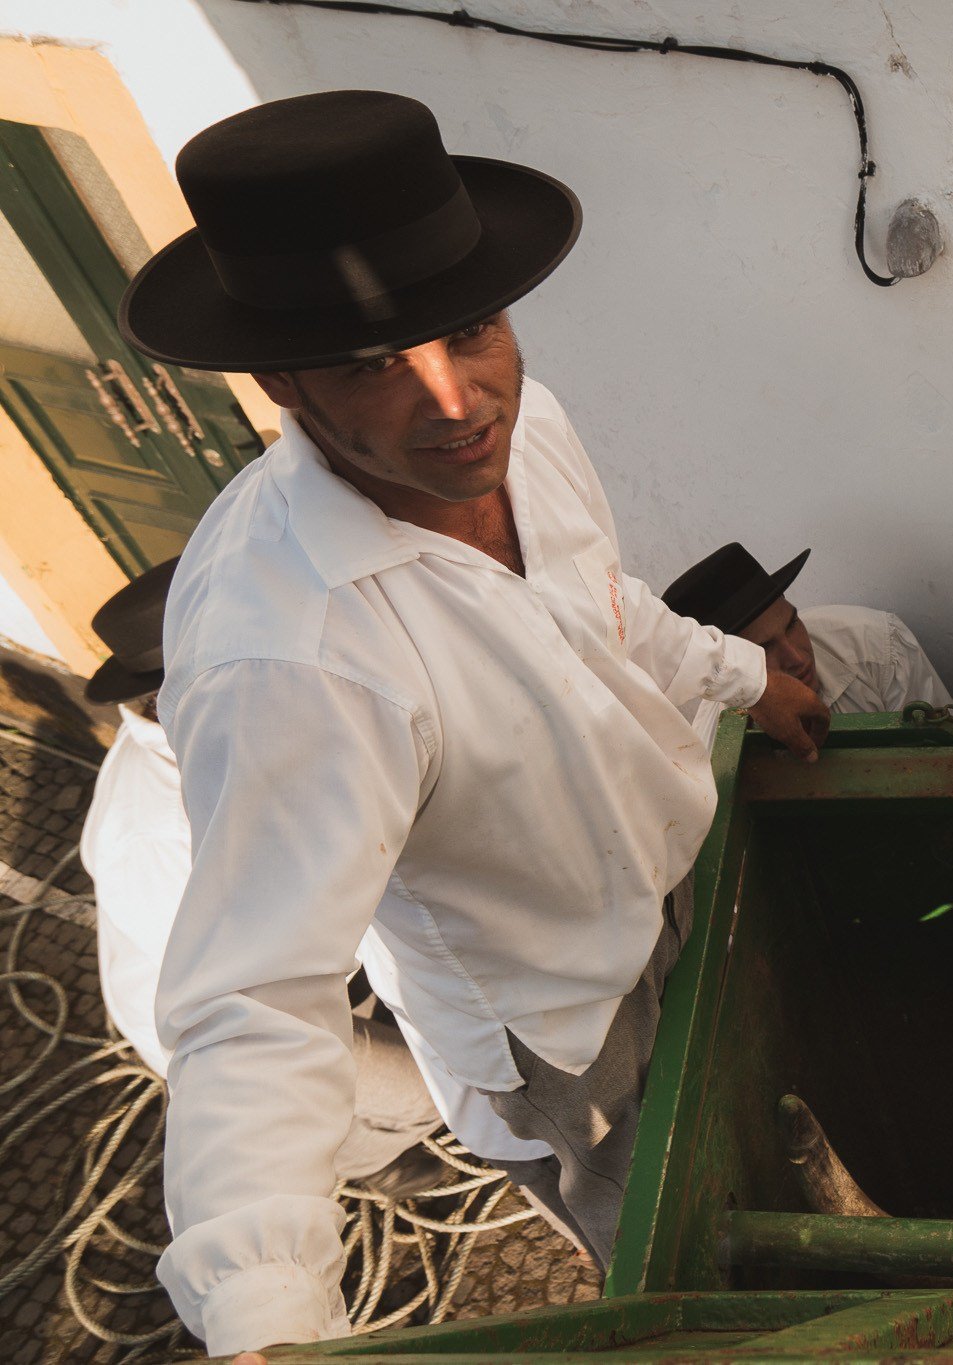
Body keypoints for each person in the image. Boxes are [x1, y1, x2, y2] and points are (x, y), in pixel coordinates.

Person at [117, 90, 827, 1356]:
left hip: (672, 884)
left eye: (473, 329)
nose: (456, 401)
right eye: (371, 365)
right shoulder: (295, 656)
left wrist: (740, 676)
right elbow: (255, 998)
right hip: (560, 1032)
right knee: (676, 1269)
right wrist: (265, 1309)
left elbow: (604, 615)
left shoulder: (527, 428)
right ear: (278, 379)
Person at [78, 560, 448, 1201]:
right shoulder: (156, 839)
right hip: (238, 1033)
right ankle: (362, 1158)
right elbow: (244, 1011)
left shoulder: (224, 722)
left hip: (290, 964)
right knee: (435, 1093)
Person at [662, 542, 953, 714]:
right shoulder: (714, 744)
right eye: (764, 649)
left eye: (792, 624)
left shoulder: (879, 647)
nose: (797, 658)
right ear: (727, 669)